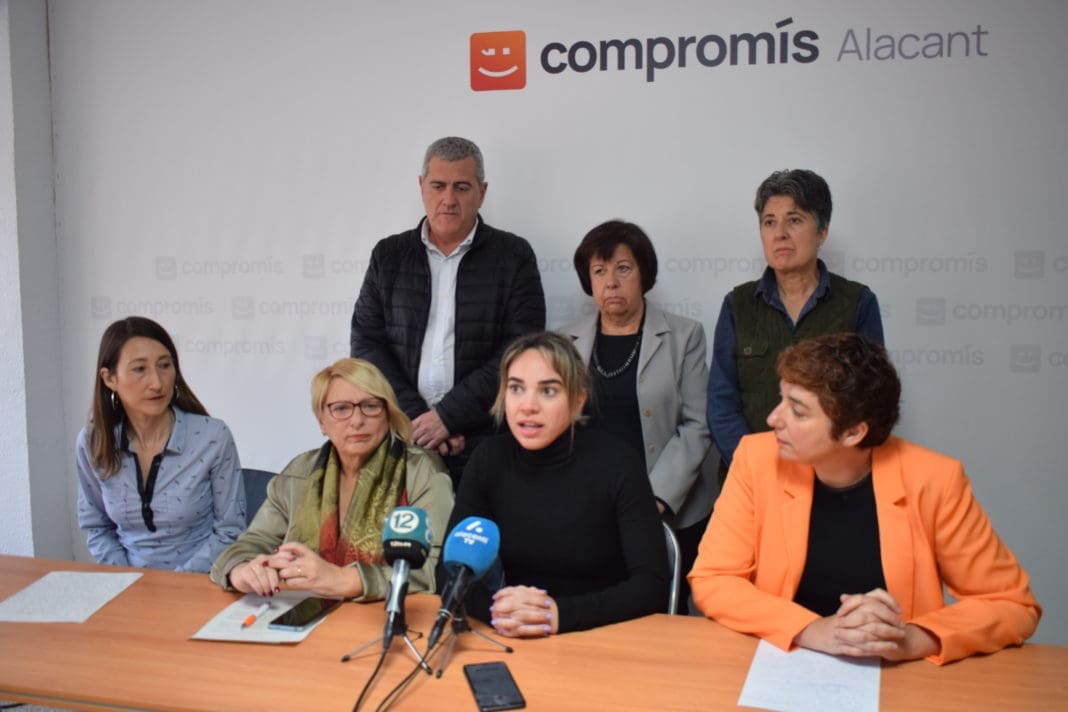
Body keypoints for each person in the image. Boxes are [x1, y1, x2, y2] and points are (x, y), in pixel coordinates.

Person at [689, 334, 1041, 664]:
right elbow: (713, 579)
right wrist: (813, 630)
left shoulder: (935, 479)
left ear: (853, 432)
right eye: (781, 398)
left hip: (894, 677)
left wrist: (913, 639)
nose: (773, 418)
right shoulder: (756, 457)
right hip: (782, 661)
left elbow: (1012, 604)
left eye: (797, 410)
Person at [350, 136, 546, 485]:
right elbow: (367, 345)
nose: (449, 199)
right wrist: (419, 421)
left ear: (482, 192)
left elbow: (522, 351)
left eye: (462, 187)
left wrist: (449, 417)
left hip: (486, 444)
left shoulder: (514, 256)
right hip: (402, 441)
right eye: (438, 185)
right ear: (422, 186)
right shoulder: (388, 255)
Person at [448, 332, 669, 637]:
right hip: (517, 633)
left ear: (578, 400)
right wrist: (501, 614)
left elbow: (652, 585)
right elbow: (450, 573)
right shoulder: (488, 459)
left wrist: (558, 615)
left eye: (548, 391)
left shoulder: (618, 462)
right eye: (516, 388)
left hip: (605, 633)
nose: (528, 406)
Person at [563, 219, 713, 613]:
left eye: (623, 268)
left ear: (643, 273)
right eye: (599, 271)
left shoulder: (685, 336)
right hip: (591, 509)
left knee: (663, 621)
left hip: (669, 509)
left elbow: (697, 425)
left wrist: (652, 500)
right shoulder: (564, 343)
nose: (611, 282)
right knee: (596, 613)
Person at [210, 358, 453, 600]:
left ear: (387, 414)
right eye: (341, 409)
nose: (357, 421)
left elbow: (436, 568)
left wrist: (346, 580)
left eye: (370, 406)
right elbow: (254, 542)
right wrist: (240, 570)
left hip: (385, 612)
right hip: (304, 606)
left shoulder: (421, 471)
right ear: (322, 422)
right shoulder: (301, 470)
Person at [707, 169, 884, 474]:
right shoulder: (737, 304)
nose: (780, 234)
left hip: (832, 479)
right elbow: (721, 404)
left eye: (795, 220)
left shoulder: (858, 302)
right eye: (769, 222)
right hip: (751, 480)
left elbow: (871, 400)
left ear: (822, 232)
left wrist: (826, 469)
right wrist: (757, 469)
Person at [76, 317, 245, 572]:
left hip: (200, 580)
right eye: (139, 369)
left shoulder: (212, 436)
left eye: (165, 365)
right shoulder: (94, 442)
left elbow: (230, 530)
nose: (157, 382)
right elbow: (97, 527)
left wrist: (173, 583)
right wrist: (128, 579)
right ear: (109, 378)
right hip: (128, 582)